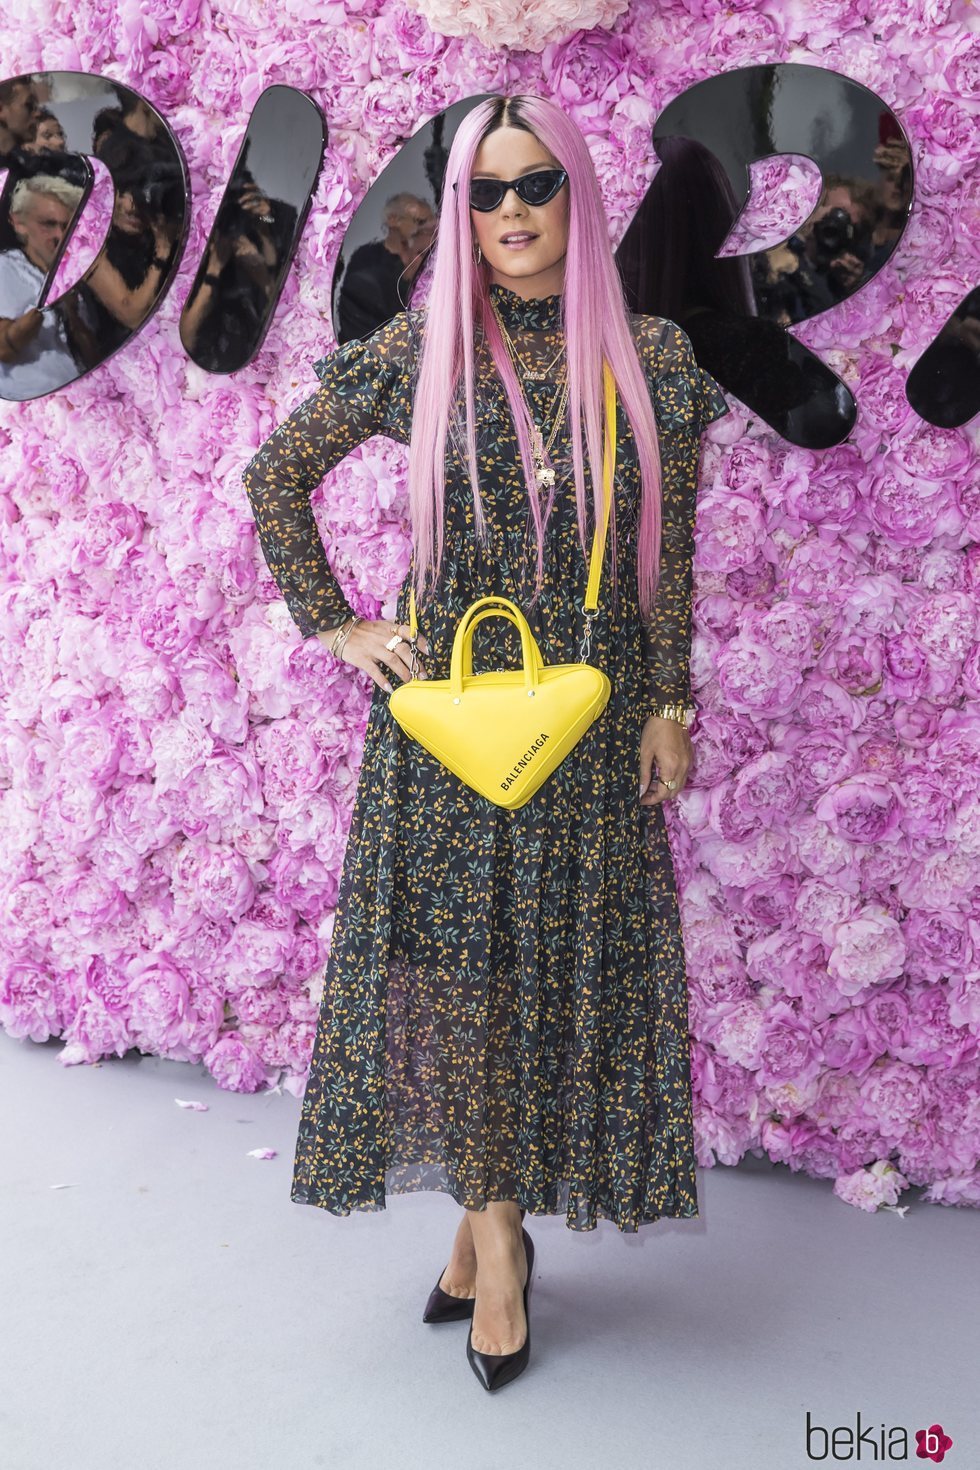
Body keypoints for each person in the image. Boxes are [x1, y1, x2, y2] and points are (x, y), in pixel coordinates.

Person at [241, 92, 729, 1392]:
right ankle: (503, 1248)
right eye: (485, 192)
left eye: (536, 185)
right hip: (450, 722)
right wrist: (339, 624)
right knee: (466, 980)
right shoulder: (423, 351)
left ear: (577, 193)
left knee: (550, 974)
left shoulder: (650, 359)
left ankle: (472, 1224)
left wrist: (671, 703)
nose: (513, 212)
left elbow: (662, 557)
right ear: (459, 212)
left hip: (592, 717)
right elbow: (275, 474)